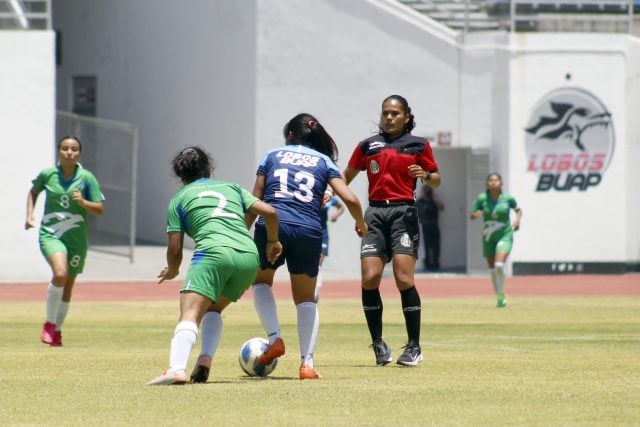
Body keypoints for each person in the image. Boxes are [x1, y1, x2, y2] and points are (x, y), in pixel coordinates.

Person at [245, 113, 367, 380]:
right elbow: (352, 200)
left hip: (272, 225)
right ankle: (307, 365)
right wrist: (361, 224)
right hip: (308, 231)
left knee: (262, 283)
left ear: (289, 134)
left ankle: (275, 338)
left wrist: (241, 232)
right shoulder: (323, 161)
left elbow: (255, 199)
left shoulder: (272, 155)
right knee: (305, 300)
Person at [146, 146, 282, 385]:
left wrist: (173, 270)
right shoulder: (231, 188)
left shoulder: (179, 198)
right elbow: (270, 212)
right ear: (208, 168)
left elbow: (175, 249)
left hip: (212, 253)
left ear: (180, 175)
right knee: (213, 309)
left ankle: (176, 369)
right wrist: (272, 241)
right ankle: (205, 360)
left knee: (189, 314)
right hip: (248, 257)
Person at [342, 94, 441, 367]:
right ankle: (378, 343)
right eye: (385, 113)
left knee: (403, 278)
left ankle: (414, 346)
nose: (389, 117)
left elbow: (436, 180)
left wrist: (425, 176)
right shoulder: (368, 146)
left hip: (404, 213)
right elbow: (345, 176)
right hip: (374, 213)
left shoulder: (418, 145)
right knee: (370, 276)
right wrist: (336, 200)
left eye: (395, 113)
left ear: (407, 116)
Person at [25, 136, 105, 347]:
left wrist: (83, 202)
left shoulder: (87, 178)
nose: (69, 152)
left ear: (80, 153)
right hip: (51, 234)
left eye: (74, 149)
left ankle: (57, 331)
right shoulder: (48, 174)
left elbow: (99, 208)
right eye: (65, 148)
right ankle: (49, 325)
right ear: (58, 151)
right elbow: (33, 192)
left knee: (68, 286)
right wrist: (29, 216)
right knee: (60, 273)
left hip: (76, 238)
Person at [470, 172, 522, 308]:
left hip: (505, 234)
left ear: (501, 183)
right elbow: (472, 214)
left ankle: (501, 294)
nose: (493, 182)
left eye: (496, 180)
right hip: (488, 237)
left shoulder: (507, 198)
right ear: (487, 184)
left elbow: (518, 210)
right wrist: (476, 214)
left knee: (499, 265)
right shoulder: (482, 198)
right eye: (491, 180)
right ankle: (499, 295)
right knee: (492, 269)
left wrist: (517, 220)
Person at [315, 195, 345, 302]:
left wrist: (336, 215)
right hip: (309, 231)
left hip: (323, 233)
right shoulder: (311, 194)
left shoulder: (329, 198)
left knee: (318, 263)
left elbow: (341, 207)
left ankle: (315, 293)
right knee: (310, 263)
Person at [415, 186, 444, 272]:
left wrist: (435, 199)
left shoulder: (434, 201)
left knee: (436, 247)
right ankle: (427, 265)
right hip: (423, 228)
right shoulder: (419, 202)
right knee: (425, 247)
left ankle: (435, 264)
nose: (428, 193)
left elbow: (442, 208)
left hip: (434, 226)